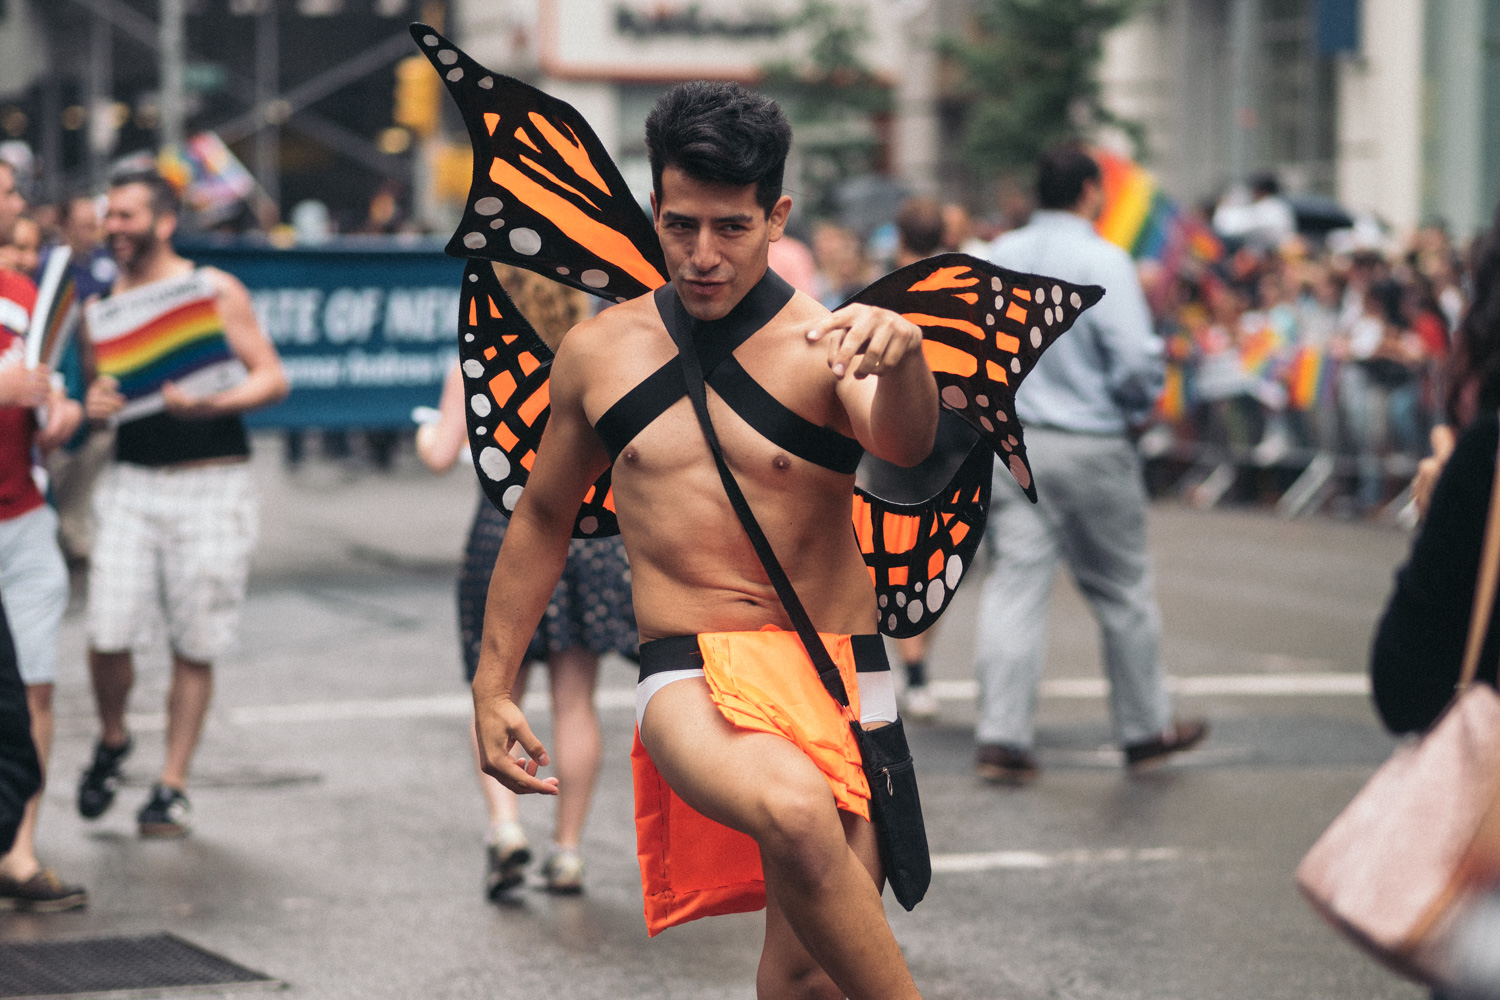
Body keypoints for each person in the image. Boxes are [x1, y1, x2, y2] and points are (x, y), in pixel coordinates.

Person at [473, 82, 934, 999]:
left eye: (731, 228)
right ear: (654, 209)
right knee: (796, 811)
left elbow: (903, 445)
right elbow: (541, 515)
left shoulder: (827, 340)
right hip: (688, 669)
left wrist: (909, 356)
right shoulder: (600, 351)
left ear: (777, 216)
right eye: (681, 226)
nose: (703, 255)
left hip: (840, 667)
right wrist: (491, 687)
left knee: (803, 976)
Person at [973, 143, 1207, 785]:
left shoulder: (1001, 256)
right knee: (1123, 591)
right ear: (1089, 193)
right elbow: (1134, 360)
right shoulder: (1104, 258)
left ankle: (1002, 735)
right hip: (1091, 440)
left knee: (1016, 584)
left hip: (1015, 437)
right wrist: (1136, 405)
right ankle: (1143, 729)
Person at [76, 170, 288, 838]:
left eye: (127, 215)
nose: (114, 227)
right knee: (106, 632)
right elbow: (101, 401)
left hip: (212, 482)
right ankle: (113, 740)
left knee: (195, 642)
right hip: (131, 484)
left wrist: (211, 403)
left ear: (164, 222)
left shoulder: (214, 290)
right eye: (109, 216)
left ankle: (171, 786)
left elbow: (272, 377)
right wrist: (96, 406)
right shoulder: (99, 310)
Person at [417, 265, 636, 897]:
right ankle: (566, 850)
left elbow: (439, 453)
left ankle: (506, 828)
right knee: (576, 701)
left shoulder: (478, 361)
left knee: (497, 689)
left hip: (505, 531)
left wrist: (426, 434)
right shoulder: (595, 356)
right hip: (588, 532)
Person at [0, 157, 87, 911]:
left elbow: (52, 392)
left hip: (23, 519)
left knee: (33, 684)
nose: (16, 204)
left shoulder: (27, 295)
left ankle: (19, 851)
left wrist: (59, 412)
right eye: (5, 193)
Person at [862, 195, 962, 722]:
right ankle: (919, 668)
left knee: (896, 550)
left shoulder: (879, 293)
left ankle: (913, 668)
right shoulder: (960, 284)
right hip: (956, 437)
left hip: (891, 432)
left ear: (898, 237)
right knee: (940, 550)